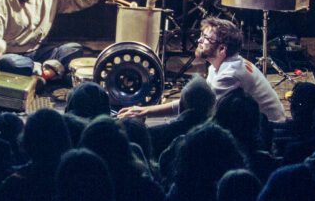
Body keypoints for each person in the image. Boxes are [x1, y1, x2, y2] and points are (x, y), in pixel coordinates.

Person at [119, 16, 286, 123]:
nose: (199, 40)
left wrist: (145, 111)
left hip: (271, 131)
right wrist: (145, 110)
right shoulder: (221, 66)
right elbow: (193, 104)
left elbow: (194, 109)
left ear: (222, 49)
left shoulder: (230, 74)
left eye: (205, 38)